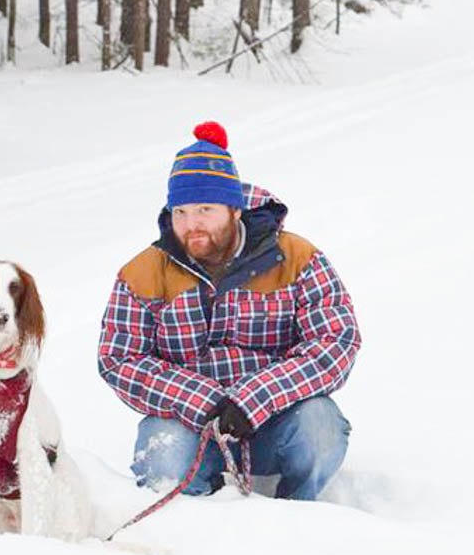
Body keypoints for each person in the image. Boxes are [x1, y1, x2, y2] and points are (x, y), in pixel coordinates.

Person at [98, 121, 361, 500]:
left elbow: (336, 341)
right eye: (181, 212)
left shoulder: (298, 259)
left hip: (277, 418)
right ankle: (189, 526)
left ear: (235, 209)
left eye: (205, 209)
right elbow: (119, 358)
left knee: (320, 427)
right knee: (162, 449)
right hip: (192, 426)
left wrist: (252, 398)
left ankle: (299, 512)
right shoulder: (143, 274)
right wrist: (203, 400)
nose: (192, 225)